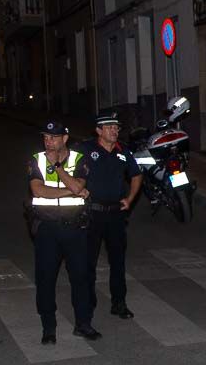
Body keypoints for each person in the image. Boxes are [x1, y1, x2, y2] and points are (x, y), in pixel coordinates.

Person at [28, 120, 99, 343]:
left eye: (53, 138)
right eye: (46, 137)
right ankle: (48, 327)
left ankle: (83, 324)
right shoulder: (36, 159)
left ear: (64, 139)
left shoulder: (79, 158)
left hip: (75, 228)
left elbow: (80, 186)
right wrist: (72, 192)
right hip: (46, 228)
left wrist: (58, 168)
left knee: (80, 277)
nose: (48, 142)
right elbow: (38, 189)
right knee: (46, 279)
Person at [77, 109, 142, 320]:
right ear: (99, 130)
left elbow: (136, 175)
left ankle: (119, 303)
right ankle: (88, 304)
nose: (115, 131)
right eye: (110, 127)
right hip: (92, 213)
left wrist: (130, 199)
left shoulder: (123, 151)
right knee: (88, 262)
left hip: (115, 213)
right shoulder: (86, 149)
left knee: (118, 261)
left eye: (116, 128)